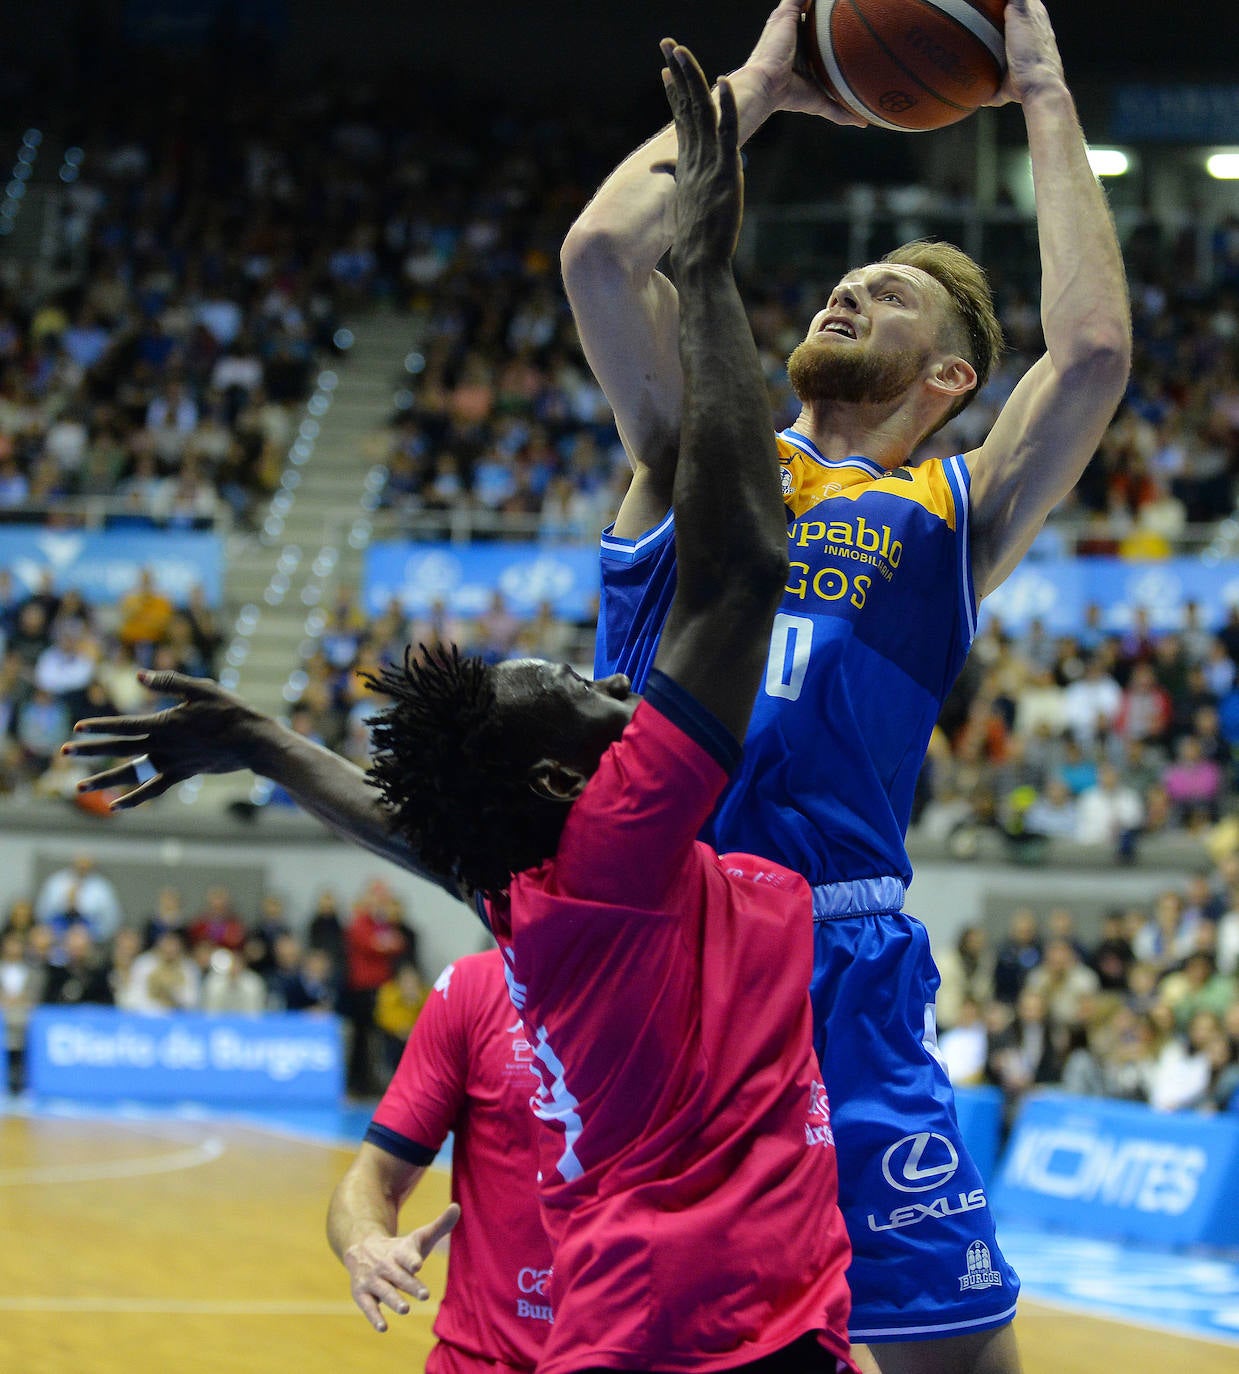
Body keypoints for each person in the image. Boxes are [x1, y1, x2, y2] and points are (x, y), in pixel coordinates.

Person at [67, 44, 858, 1374]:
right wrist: (710, 274)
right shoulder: (615, 839)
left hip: (692, 1309)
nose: (608, 680)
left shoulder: (530, 886)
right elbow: (740, 568)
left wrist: (258, 739)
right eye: (571, 694)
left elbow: (408, 824)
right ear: (567, 784)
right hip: (701, 1323)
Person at [560, 1, 1130, 1367]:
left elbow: (1092, 355)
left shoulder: (954, 509)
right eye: (847, 275)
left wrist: (1042, 94)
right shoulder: (691, 451)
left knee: (958, 1351)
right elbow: (598, 256)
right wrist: (757, 87)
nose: (849, 286)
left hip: (841, 957)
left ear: (948, 373)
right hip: (662, 944)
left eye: (892, 290)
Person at [327, 949, 553, 1372]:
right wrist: (366, 1240)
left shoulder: (692, 979)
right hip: (486, 1358)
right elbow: (375, 1176)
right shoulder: (474, 986)